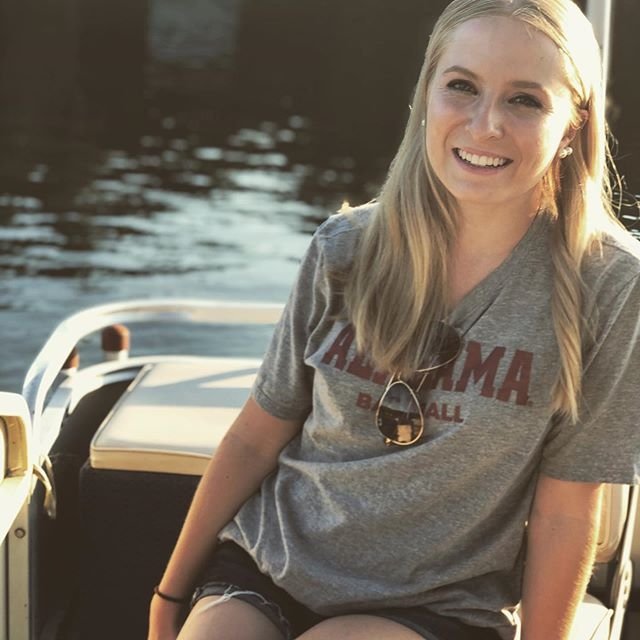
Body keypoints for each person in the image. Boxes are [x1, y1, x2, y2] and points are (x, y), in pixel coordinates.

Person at [148, 1, 640, 638]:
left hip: (436, 603)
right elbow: (255, 436)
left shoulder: (605, 284)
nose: (485, 124)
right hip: (270, 562)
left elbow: (566, 510)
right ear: (427, 95)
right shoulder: (345, 247)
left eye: (525, 100)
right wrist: (170, 595)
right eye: (462, 86)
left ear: (573, 125)